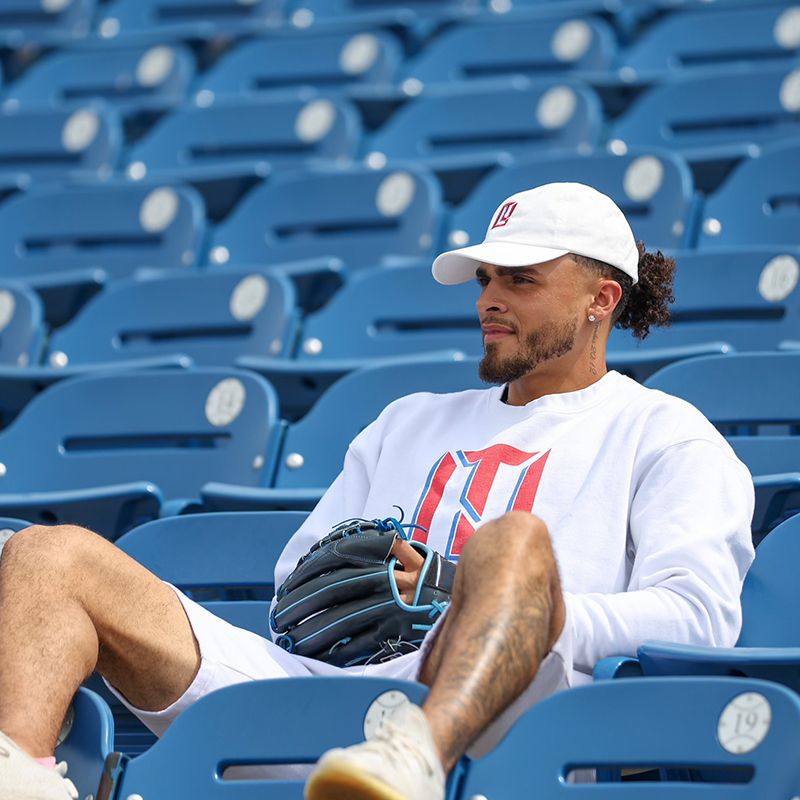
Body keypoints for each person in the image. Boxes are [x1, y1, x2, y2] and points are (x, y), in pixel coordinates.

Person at [0, 183, 754, 800]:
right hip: (324, 690)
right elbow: (299, 589)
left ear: (602, 299)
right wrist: (355, 600)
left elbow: (700, 619)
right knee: (49, 556)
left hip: (516, 707)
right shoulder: (408, 420)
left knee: (514, 544)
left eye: (521, 279)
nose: (490, 298)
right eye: (486, 278)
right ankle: (20, 779)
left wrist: (488, 598)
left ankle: (413, 762)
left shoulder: (663, 432)